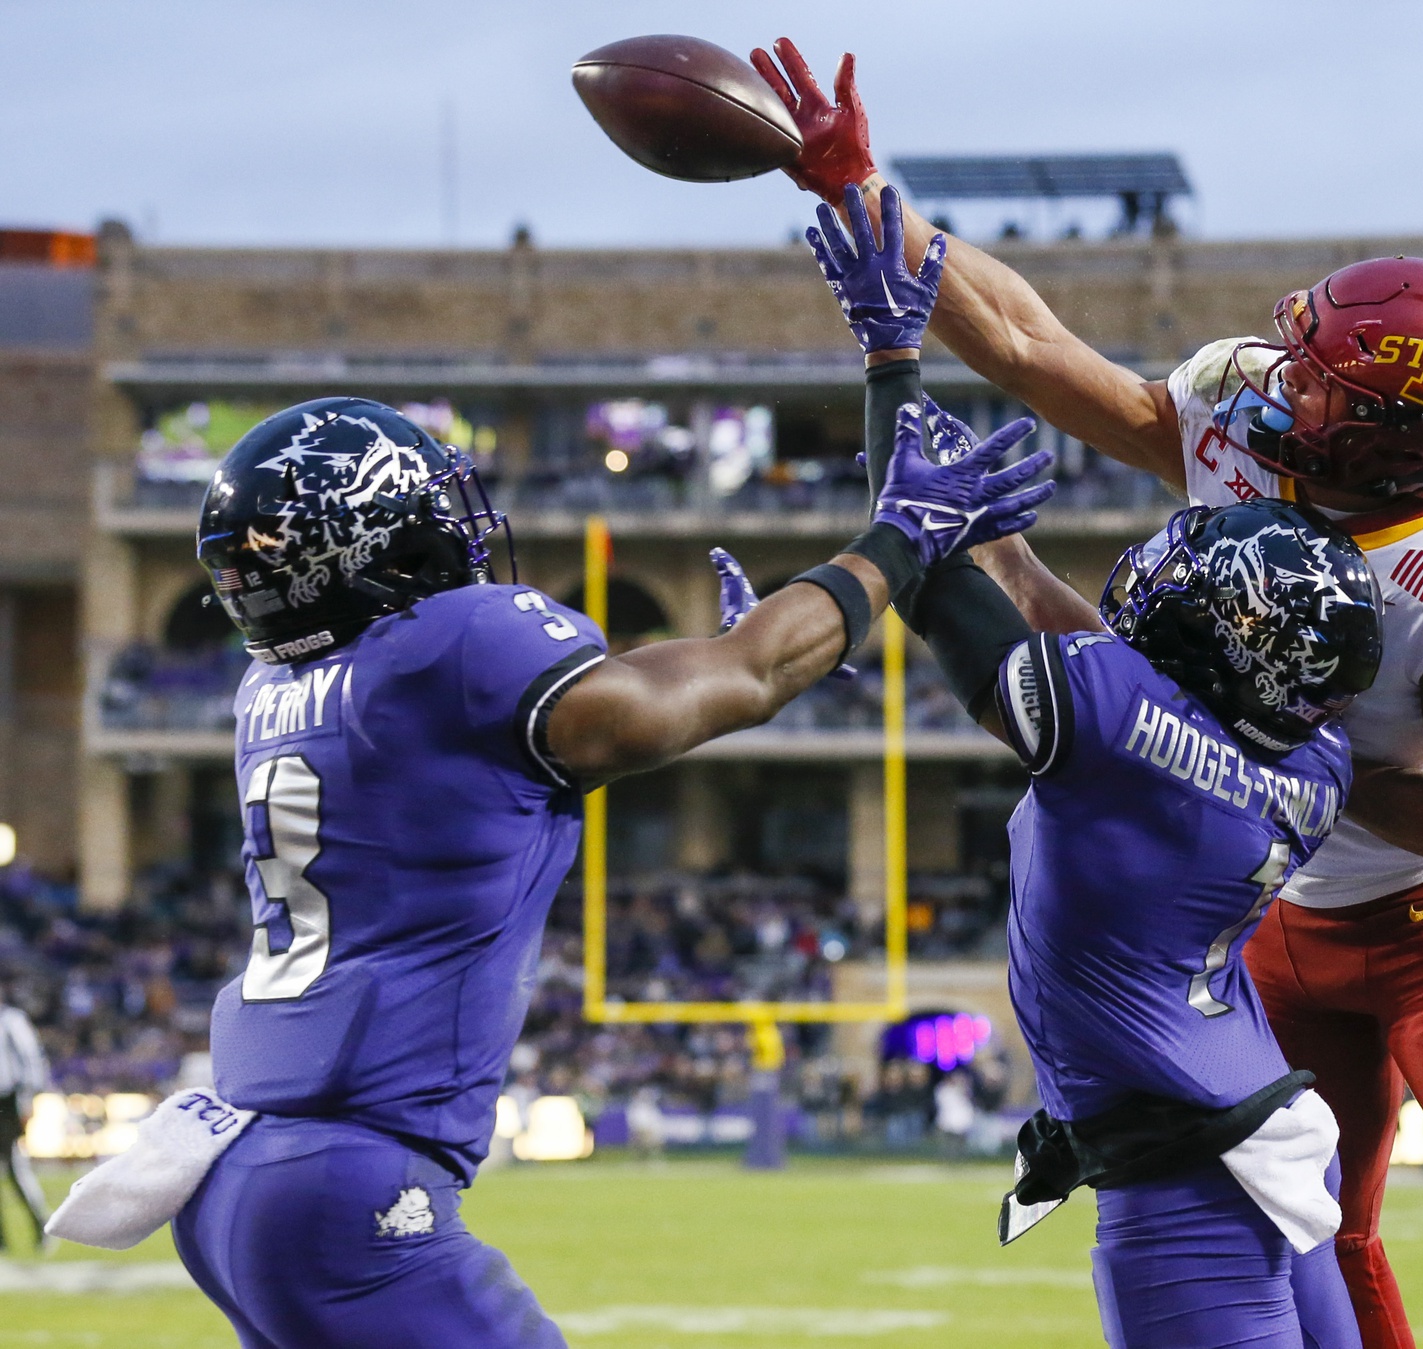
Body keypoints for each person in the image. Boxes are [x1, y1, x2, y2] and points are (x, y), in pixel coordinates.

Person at [751, 40, 1423, 1349]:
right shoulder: (1243, 410)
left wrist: (1277, 757)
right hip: (1263, 912)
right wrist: (860, 191)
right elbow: (1027, 342)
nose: (1284, 378)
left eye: (1322, 380)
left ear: (1383, 439)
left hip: (1422, 916)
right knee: (1315, 1231)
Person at [77, 394, 1048, 1347]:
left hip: (240, 1172)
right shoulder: (453, 644)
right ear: (373, 547)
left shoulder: (273, 687)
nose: (450, 532)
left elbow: (649, 693)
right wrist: (895, 540)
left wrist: (735, 656)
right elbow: (740, 678)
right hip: (348, 1188)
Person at [741, 182, 1385, 1347]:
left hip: (1183, 1187)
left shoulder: (1120, 724)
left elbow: (930, 581)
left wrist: (890, 357)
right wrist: (1006, 547)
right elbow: (1140, 694)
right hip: (1262, 1147)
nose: (1165, 584)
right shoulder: (1315, 757)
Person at [0, 990, 52, 1252]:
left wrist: (27, 1100)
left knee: (14, 1167)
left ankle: (41, 1225)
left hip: (8, 1101)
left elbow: (31, 1060)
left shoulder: (11, 1020)